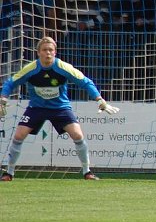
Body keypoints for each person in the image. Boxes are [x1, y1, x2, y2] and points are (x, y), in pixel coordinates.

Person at [0, 36, 119, 181]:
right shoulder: (30, 69)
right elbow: (10, 83)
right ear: (38, 52)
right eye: (45, 50)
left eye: (51, 50)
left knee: (78, 135)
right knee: (19, 136)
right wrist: (3, 99)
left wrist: (99, 99)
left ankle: (87, 172)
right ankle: (9, 173)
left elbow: (85, 82)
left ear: (55, 52)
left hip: (60, 108)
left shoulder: (63, 67)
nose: (48, 53)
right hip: (36, 108)